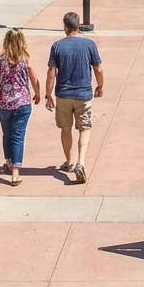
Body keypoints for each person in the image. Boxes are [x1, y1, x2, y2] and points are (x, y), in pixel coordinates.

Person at [45, 12, 104, 184]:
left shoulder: (57, 46)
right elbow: (98, 68)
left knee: (66, 129)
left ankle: (69, 161)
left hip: (63, 94)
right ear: (78, 26)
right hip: (83, 94)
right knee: (84, 128)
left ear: (65, 26)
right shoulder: (89, 45)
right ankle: (81, 162)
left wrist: (48, 95)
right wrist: (100, 86)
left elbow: (51, 72)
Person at [0, 28, 41, 186]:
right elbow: (34, 80)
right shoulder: (26, 59)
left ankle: (9, 161)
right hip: (22, 103)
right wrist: (38, 93)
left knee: (7, 134)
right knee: (18, 136)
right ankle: (15, 172)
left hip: (4, 103)